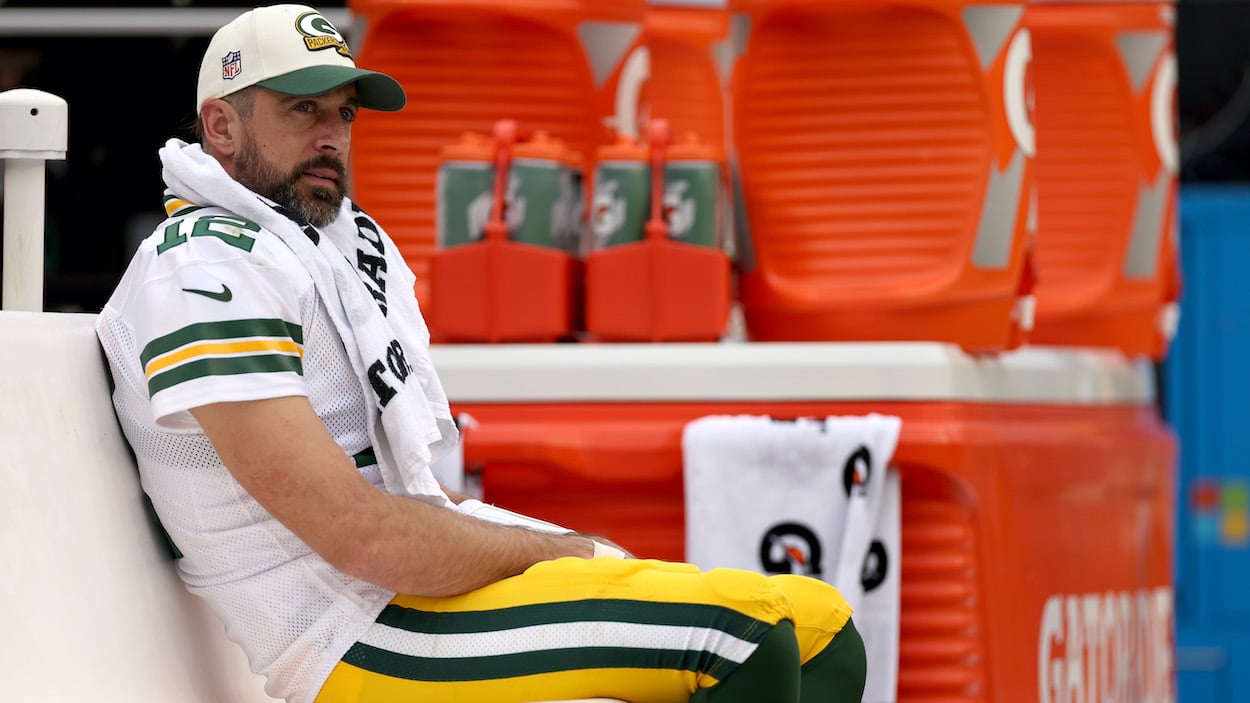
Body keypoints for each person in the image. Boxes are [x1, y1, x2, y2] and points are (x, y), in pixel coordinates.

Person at [95, 5, 867, 703]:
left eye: (343, 112)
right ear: (221, 127)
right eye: (302, 109)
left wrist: (574, 553)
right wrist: (552, 549)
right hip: (347, 636)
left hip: (409, 592)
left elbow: (417, 490)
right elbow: (357, 535)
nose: (331, 133)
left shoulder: (327, 247)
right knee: (744, 635)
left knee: (825, 629)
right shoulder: (202, 265)